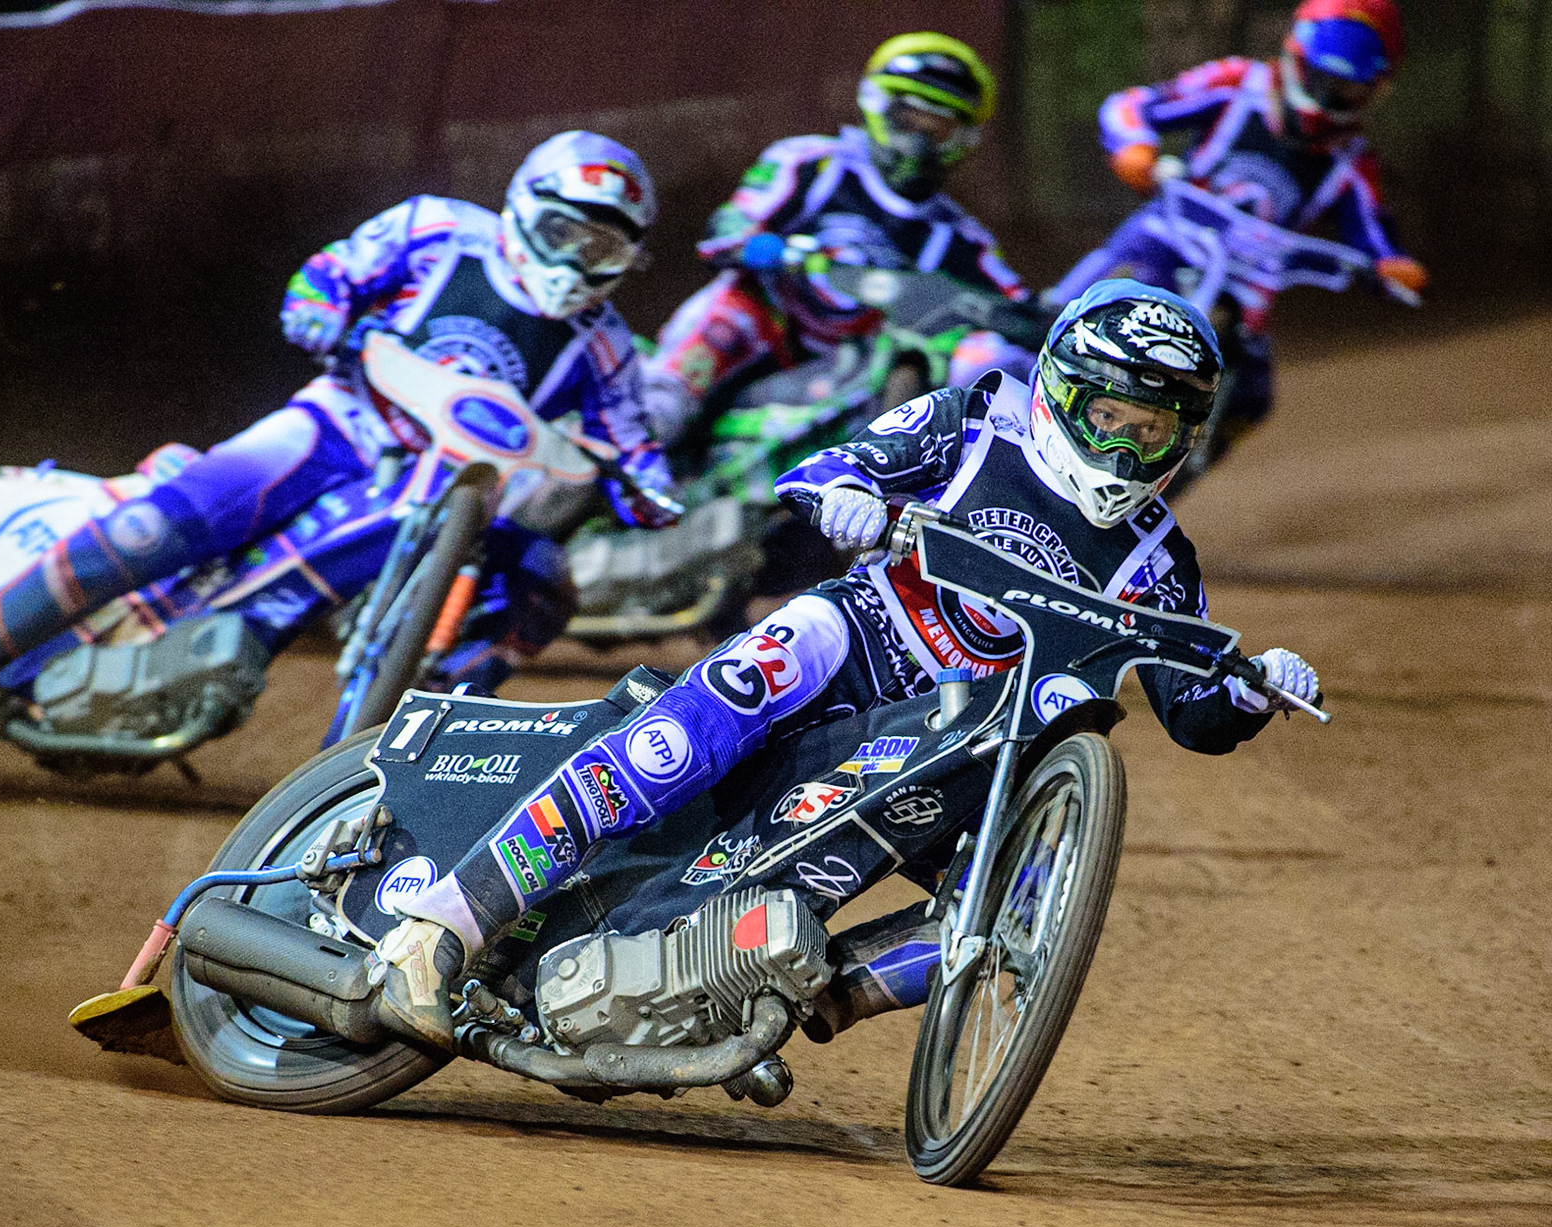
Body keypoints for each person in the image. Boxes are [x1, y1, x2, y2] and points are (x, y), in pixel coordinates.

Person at [368, 280, 1322, 1048]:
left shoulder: (1161, 556)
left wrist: (1253, 684)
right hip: (858, 640)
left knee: (1021, 902)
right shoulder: (980, 416)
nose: (1123, 446)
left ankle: (819, 996)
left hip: (965, 750)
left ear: (1186, 439)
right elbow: (830, 467)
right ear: (1060, 390)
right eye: (1108, 416)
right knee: (698, 725)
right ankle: (447, 920)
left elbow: (1195, 708)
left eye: (1152, 432)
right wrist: (851, 498)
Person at [0, 131, 676, 713]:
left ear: (626, 259)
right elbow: (326, 277)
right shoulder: (438, 229)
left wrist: (650, 491)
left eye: (600, 247)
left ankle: (423, 720)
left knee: (543, 581)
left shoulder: (604, 345)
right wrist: (324, 315)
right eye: (565, 233)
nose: (575, 262)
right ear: (525, 207)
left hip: (440, 495)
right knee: (159, 528)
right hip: (337, 425)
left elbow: (633, 440)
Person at [639, 32, 1036, 446]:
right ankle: (650, 421)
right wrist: (780, 252)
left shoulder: (960, 238)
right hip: (771, 326)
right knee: (731, 310)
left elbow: (1016, 310)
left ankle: (880, 475)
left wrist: (1042, 318)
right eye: (908, 118)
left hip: (856, 371)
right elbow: (725, 232)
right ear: (877, 106)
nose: (918, 140)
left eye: (937, 128)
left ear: (962, 139)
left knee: (938, 353)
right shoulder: (811, 164)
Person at [1052, 0, 1424, 429]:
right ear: (1301, 63)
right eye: (1330, 84)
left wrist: (1390, 266)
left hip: (1248, 286)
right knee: (1084, 310)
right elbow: (1130, 106)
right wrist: (1135, 148)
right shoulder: (1237, 84)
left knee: (1252, 396)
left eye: (1351, 90)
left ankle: (1172, 474)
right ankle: (1025, 356)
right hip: (1170, 239)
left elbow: (1374, 235)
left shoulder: (1351, 162)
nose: (1336, 100)